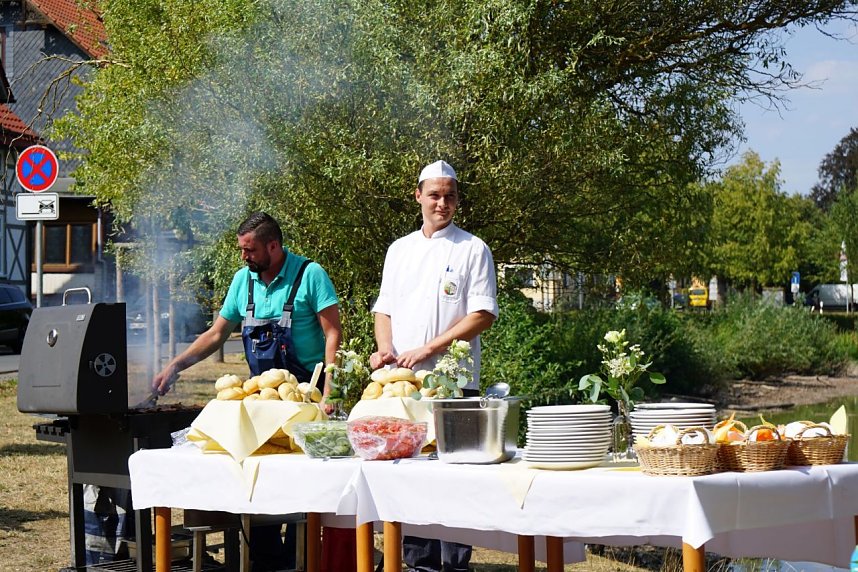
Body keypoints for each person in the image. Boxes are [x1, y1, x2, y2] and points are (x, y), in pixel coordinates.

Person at [153, 211, 341, 572]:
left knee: (303, 484)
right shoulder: (244, 281)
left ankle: (299, 559)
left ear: (274, 245)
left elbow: (332, 332)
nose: (244, 257)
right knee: (259, 481)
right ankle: (268, 560)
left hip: (306, 398)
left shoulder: (309, 275)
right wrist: (175, 365)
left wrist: (331, 391)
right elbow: (216, 334)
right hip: (261, 403)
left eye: (250, 250)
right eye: (242, 250)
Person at [370, 160, 498, 572]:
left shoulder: (472, 248)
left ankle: (455, 566)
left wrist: (429, 348)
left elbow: (482, 314)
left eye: (450, 195)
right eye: (434, 195)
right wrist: (386, 350)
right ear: (418, 197)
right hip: (405, 390)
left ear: (457, 199)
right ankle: (418, 564)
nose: (442, 203)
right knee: (412, 480)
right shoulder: (399, 250)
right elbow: (384, 309)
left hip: (456, 388)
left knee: (455, 483)